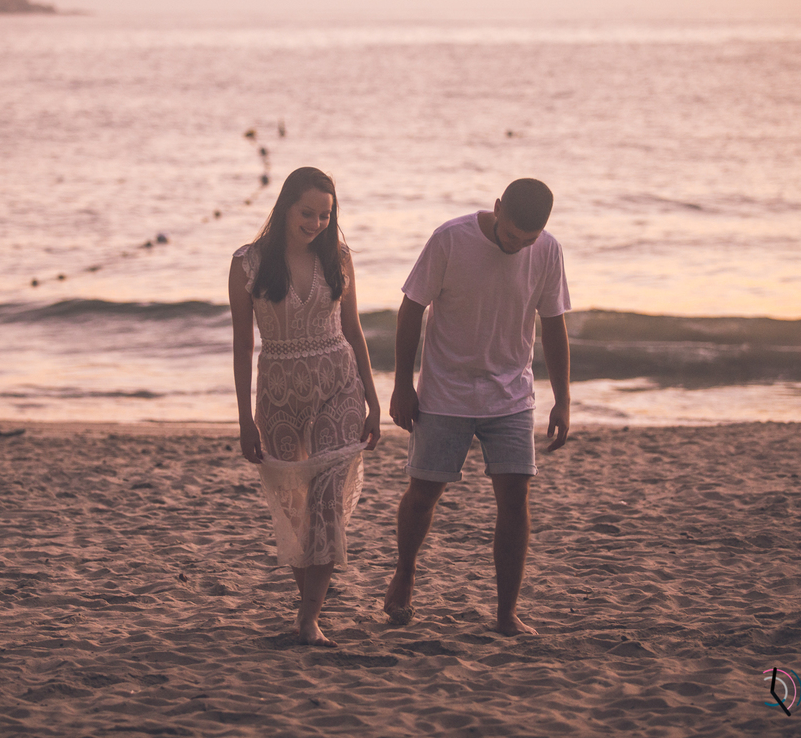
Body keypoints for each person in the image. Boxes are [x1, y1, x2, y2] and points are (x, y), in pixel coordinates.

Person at [383, 177, 571, 637]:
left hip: (511, 395)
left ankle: (506, 613)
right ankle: (405, 573)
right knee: (424, 495)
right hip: (446, 392)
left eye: (528, 240)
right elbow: (411, 310)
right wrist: (403, 385)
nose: (518, 246)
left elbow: (554, 326)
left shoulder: (546, 251)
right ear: (497, 207)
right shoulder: (451, 239)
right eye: (512, 236)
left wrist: (563, 400)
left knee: (515, 500)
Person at [229, 166, 381, 647]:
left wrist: (374, 400)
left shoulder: (338, 257)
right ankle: (306, 614)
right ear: (285, 208)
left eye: (325, 215)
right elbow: (240, 345)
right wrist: (244, 420)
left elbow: (354, 332)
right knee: (296, 511)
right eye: (307, 213)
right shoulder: (248, 264)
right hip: (278, 395)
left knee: (327, 506)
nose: (316, 223)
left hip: (339, 385)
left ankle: (310, 617)